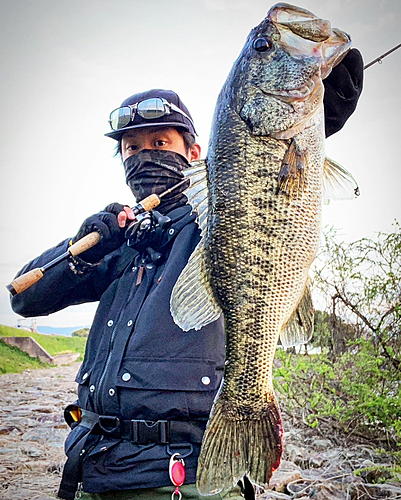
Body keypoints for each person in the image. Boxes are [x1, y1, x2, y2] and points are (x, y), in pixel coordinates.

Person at [10, 48, 364, 500]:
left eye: (160, 143)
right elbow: (26, 299)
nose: (143, 156)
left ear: (196, 152)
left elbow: (255, 185)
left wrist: (309, 127)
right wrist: (80, 250)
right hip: (95, 470)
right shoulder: (122, 241)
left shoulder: (214, 219)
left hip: (185, 476)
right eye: (131, 148)